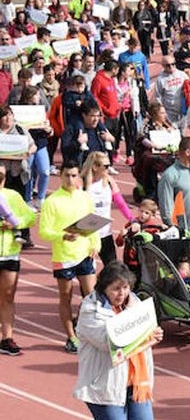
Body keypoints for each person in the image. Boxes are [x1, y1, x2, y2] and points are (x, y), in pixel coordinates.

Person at [75, 261, 163, 420]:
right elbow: (108, 342)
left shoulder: (135, 303)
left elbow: (144, 331)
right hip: (104, 386)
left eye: (125, 288)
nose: (122, 293)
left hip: (136, 382)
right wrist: (145, 334)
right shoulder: (91, 310)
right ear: (104, 287)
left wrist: (153, 333)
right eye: (116, 289)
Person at [39, 164, 99, 353]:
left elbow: (93, 223)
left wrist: (95, 244)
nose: (71, 180)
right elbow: (43, 231)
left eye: (74, 176)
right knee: (65, 296)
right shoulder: (52, 201)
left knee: (91, 296)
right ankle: (71, 337)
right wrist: (61, 236)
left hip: (84, 253)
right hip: (63, 256)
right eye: (67, 176)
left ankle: (89, 332)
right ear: (61, 176)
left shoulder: (84, 198)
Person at [0, 162, 35, 355]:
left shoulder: (13, 196)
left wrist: (14, 223)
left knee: (7, 297)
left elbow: (30, 217)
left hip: (10, 253)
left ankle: (6, 338)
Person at [80, 151, 136, 266]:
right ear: (95, 167)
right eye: (105, 166)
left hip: (105, 232)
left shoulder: (109, 181)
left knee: (113, 268)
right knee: (87, 272)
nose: (108, 168)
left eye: (109, 165)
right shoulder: (82, 183)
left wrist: (132, 219)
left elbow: (120, 202)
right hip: (87, 233)